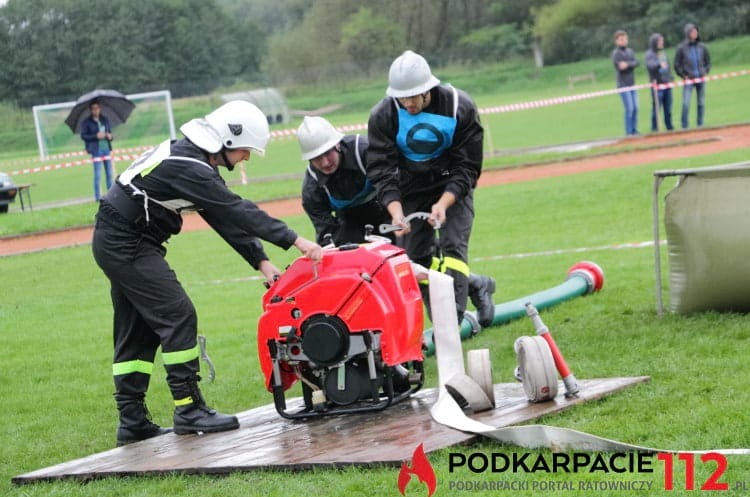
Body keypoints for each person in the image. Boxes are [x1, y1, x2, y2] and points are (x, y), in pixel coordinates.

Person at [92, 100, 322, 446]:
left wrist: (258, 259)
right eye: (245, 151)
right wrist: (296, 240)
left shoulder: (189, 158)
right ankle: (189, 409)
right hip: (127, 242)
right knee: (178, 315)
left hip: (120, 238)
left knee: (137, 329)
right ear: (228, 140)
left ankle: (132, 421)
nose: (246, 158)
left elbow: (220, 215)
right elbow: (235, 208)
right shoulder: (191, 167)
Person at [366, 50, 497, 328]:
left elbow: (468, 166)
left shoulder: (459, 106)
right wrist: (395, 210)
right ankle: (477, 285)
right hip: (411, 191)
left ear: (429, 88)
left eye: (414, 96)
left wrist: (444, 203)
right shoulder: (384, 115)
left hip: (452, 187)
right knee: (414, 261)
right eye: (403, 97)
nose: (409, 103)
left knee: (452, 248)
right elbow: (381, 169)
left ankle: (449, 324)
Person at [298, 115, 389, 246]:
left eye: (327, 153)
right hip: (349, 220)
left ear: (337, 144)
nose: (325, 163)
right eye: (317, 158)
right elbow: (327, 233)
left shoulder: (366, 151)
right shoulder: (312, 188)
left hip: (387, 206)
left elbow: (395, 184)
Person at [674, 23, 711, 129]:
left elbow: (708, 62)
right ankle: (684, 126)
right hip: (689, 80)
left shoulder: (702, 47)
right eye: (692, 31)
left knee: (701, 103)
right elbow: (677, 65)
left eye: (696, 31)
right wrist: (683, 75)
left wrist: (705, 71)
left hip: (700, 78)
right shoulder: (681, 48)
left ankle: (700, 124)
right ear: (687, 33)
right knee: (686, 103)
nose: (695, 33)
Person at [80, 100, 115, 201]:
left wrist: (109, 136)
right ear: (91, 110)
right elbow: (83, 136)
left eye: (97, 108)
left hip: (106, 149)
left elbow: (110, 134)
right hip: (96, 150)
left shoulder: (105, 120)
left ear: (100, 109)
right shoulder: (87, 122)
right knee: (98, 175)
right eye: (94, 109)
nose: (96, 110)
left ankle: (110, 196)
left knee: (109, 174)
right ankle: (97, 197)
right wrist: (96, 136)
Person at [611, 30, 639, 136]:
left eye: (625, 39)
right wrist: (628, 65)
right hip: (623, 84)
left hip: (632, 83)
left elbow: (636, 63)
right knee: (629, 108)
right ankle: (628, 132)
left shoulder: (630, 51)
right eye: (621, 39)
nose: (624, 41)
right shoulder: (616, 54)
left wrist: (627, 64)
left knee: (636, 107)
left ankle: (634, 130)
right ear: (616, 41)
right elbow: (620, 67)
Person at [645, 33, 674, 132]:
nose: (662, 43)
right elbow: (650, 66)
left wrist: (670, 77)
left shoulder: (662, 53)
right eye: (660, 41)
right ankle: (655, 128)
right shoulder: (650, 54)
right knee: (657, 109)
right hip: (657, 85)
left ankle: (669, 127)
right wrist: (658, 64)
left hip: (666, 84)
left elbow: (667, 67)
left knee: (668, 108)